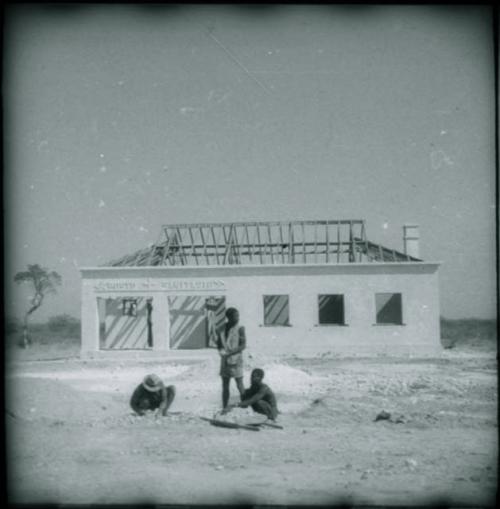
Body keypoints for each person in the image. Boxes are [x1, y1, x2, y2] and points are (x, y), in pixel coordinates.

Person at [217, 307, 246, 409]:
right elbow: (219, 344)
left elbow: (243, 345)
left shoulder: (240, 328)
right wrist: (221, 351)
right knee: (225, 386)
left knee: (239, 385)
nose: (237, 318)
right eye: (235, 316)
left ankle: (245, 406)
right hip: (225, 361)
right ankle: (224, 407)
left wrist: (230, 352)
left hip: (236, 360)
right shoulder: (221, 329)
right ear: (228, 317)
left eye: (238, 316)